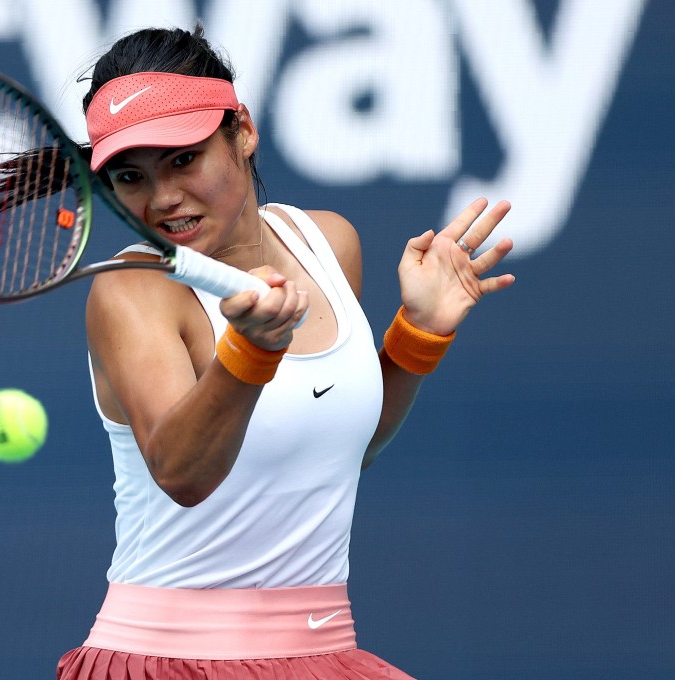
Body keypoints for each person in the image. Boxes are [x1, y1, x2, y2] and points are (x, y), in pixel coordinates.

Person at [56, 24, 515, 680]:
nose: (161, 199)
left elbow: (338, 449)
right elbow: (184, 473)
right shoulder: (133, 291)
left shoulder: (329, 242)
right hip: (169, 662)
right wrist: (250, 352)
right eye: (132, 176)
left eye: (183, 159)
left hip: (322, 654)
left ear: (241, 130)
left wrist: (418, 334)